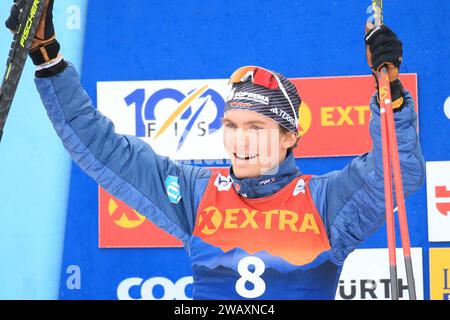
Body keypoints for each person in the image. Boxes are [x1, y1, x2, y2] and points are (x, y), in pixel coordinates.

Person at [6, 0, 425, 299]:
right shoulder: (197, 192)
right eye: (231, 126)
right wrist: (49, 59)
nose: (240, 141)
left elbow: (397, 172)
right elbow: (101, 149)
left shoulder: (327, 201)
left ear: (289, 136)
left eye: (256, 127)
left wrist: (392, 95)